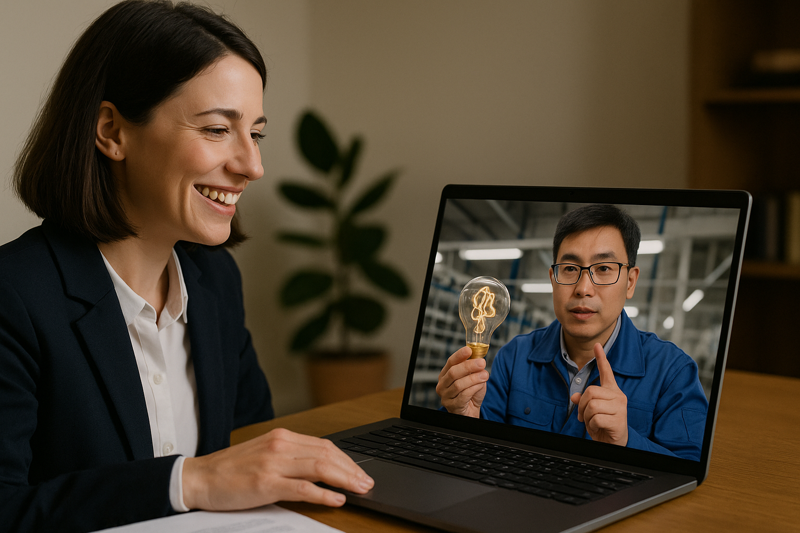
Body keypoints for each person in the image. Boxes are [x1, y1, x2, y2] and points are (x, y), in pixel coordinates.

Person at [0, 2, 373, 532]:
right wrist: (188, 481)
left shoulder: (216, 281)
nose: (252, 165)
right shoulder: (14, 295)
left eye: (256, 133)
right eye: (218, 129)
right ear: (112, 131)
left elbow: (252, 452)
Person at [436, 204, 709, 461]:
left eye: (603, 269)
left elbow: (690, 474)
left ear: (630, 281)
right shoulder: (515, 356)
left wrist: (626, 441)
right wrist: (461, 416)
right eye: (569, 269)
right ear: (553, 279)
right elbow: (476, 458)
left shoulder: (673, 372)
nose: (583, 288)